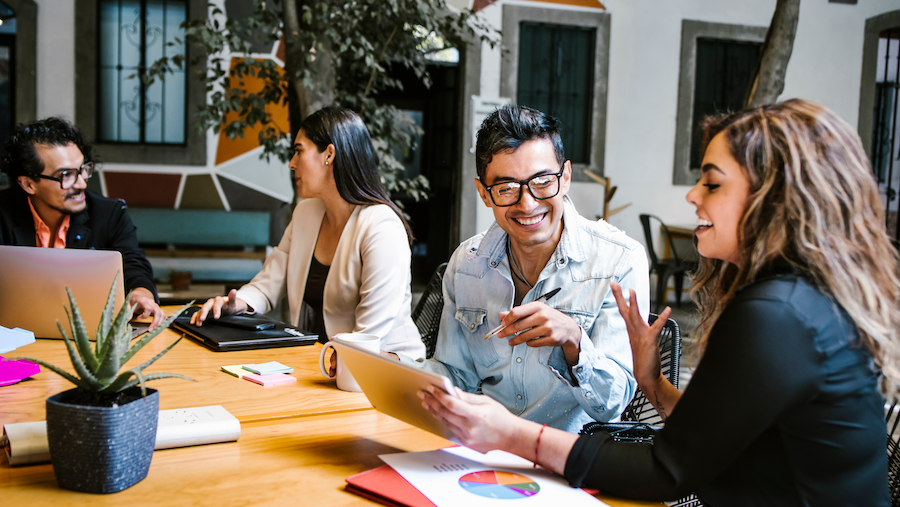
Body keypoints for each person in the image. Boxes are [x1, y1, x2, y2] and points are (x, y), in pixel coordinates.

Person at [420, 99, 899, 506]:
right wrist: (652, 384)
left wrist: (510, 434)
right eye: (506, 188)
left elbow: (667, 469)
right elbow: (714, 437)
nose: (692, 195)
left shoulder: (776, 315)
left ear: (770, 198)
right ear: (486, 192)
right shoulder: (793, 301)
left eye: (711, 182)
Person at [400, 104, 649, 433]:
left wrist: (574, 341)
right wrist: (395, 370)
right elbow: (456, 376)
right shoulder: (467, 265)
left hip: (572, 462)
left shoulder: (619, 261)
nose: (527, 204)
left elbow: (612, 404)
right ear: (484, 194)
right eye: (506, 189)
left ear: (567, 176)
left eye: (543, 181)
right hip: (482, 452)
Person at [192, 107, 425, 361]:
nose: (292, 163)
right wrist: (235, 305)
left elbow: (369, 339)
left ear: (329, 154)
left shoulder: (381, 227)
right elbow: (269, 283)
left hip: (383, 370)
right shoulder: (306, 213)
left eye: (299, 151)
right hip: (318, 362)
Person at [0, 117, 165, 330]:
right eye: (66, 175)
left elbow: (132, 264)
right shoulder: (3, 213)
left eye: (83, 169)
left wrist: (140, 294)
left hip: (88, 337)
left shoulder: (109, 213)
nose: (81, 183)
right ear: (28, 184)